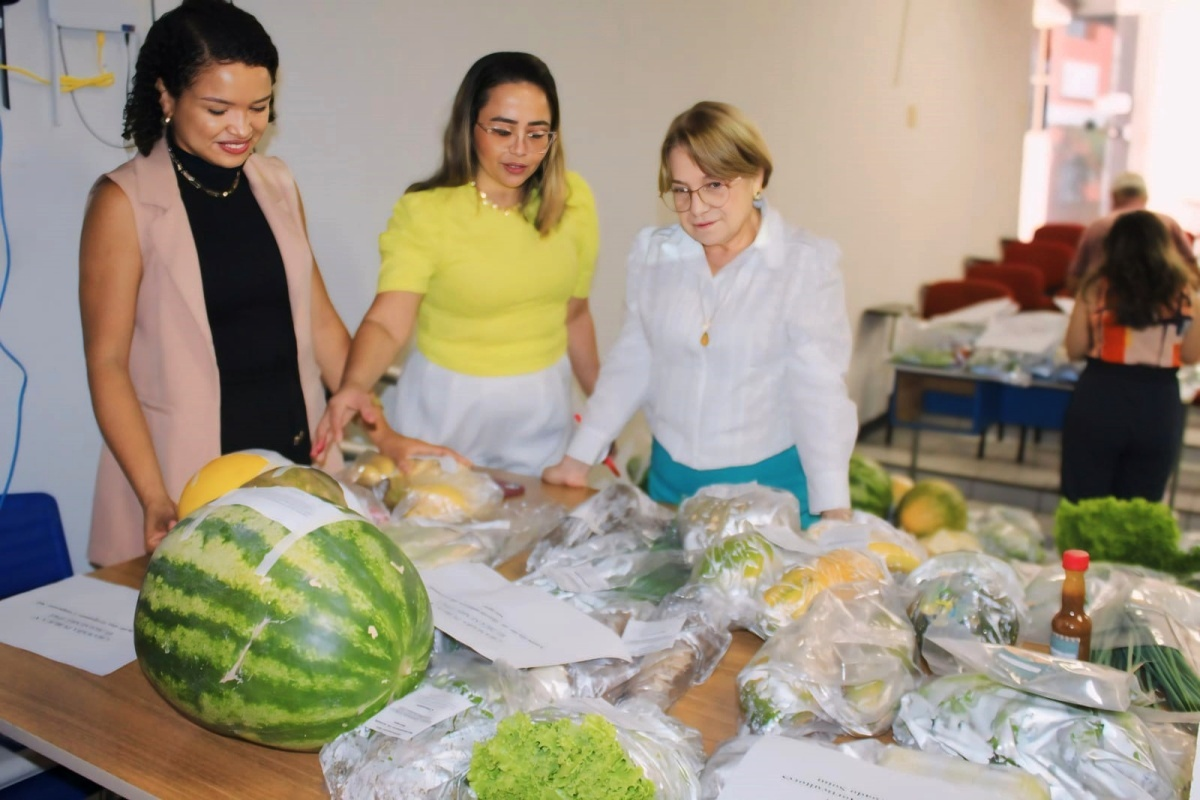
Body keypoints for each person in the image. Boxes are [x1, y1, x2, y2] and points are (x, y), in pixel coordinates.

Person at [79, 0, 451, 566]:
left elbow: (321, 322)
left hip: (290, 473)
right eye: (217, 108)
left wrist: (384, 432)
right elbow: (106, 363)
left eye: (259, 107)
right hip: (184, 484)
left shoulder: (275, 183)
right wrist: (153, 495)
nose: (243, 127)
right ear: (165, 95)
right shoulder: (123, 202)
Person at [542, 102, 855, 526]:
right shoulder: (655, 256)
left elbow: (817, 390)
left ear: (757, 177)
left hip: (767, 493)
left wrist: (834, 507)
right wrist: (579, 457)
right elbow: (634, 361)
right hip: (671, 484)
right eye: (682, 190)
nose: (697, 208)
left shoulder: (803, 266)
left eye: (714, 186)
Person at [313, 52, 600, 476]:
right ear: (470, 126)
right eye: (503, 130)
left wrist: (603, 411)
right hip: (446, 408)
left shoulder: (573, 201)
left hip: (541, 408)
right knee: (434, 533)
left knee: (535, 533)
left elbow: (575, 316)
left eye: (537, 134)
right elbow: (389, 322)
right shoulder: (426, 211)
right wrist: (354, 385)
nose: (520, 149)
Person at [1061, 210, 1200, 502]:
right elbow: (1191, 355)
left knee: (1085, 502)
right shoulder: (1187, 293)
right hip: (1158, 402)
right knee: (1139, 507)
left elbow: (1074, 348)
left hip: (1101, 395)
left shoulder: (1096, 287)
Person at [1065, 172, 1197, 293]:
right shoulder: (1168, 222)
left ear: (1114, 196)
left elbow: (1074, 278)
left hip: (1102, 303)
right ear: (1145, 196)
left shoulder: (1096, 227)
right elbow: (1192, 268)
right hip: (1164, 301)